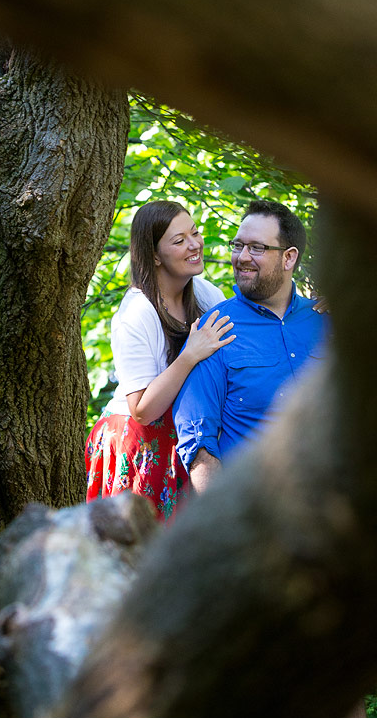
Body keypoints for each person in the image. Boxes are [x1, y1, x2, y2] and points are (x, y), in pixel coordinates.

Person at [85, 199, 236, 521]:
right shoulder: (137, 313)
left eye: (194, 233)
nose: (195, 245)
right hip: (139, 443)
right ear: (154, 255)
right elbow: (142, 410)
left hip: (185, 435)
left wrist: (308, 307)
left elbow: (242, 340)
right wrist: (189, 354)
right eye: (179, 241)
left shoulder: (206, 294)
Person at [173, 198, 329, 492]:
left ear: (289, 257)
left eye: (257, 247)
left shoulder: (325, 321)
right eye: (238, 245)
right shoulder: (214, 329)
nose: (242, 256)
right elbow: (198, 446)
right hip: (257, 506)